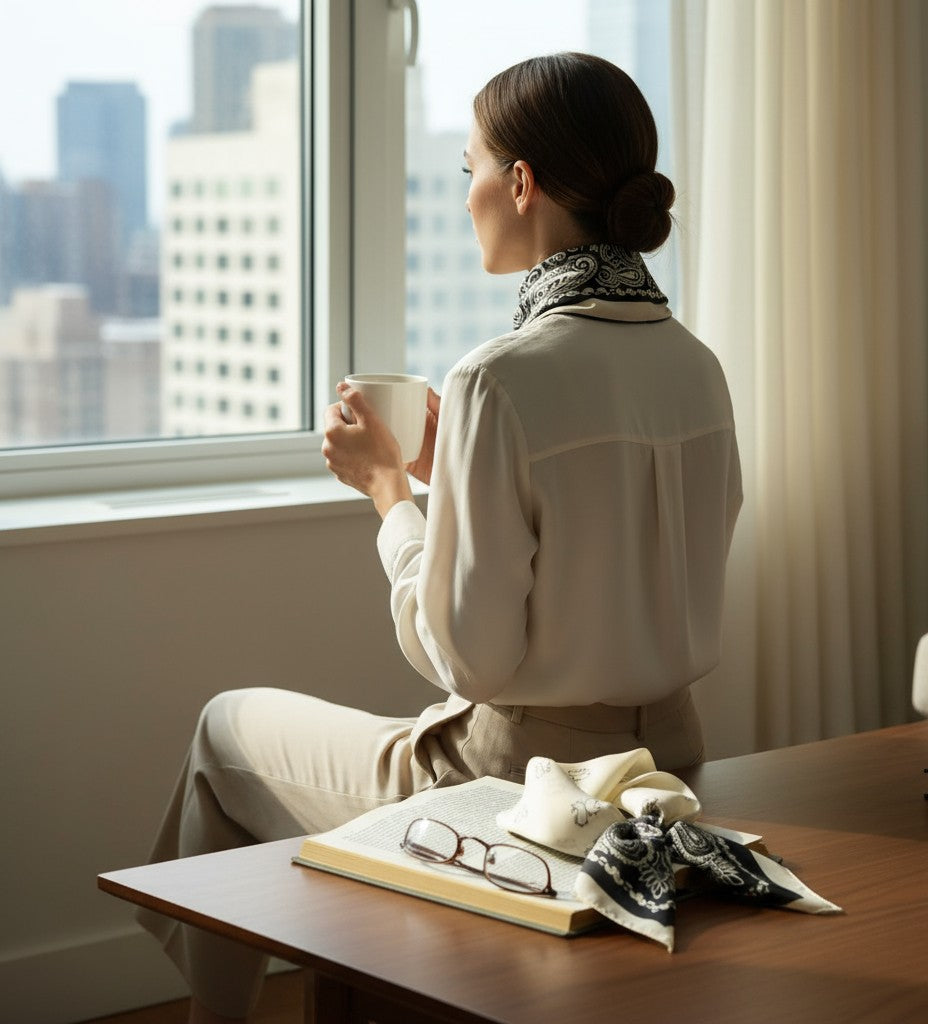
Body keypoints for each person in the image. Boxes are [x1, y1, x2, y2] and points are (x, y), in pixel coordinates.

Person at [138, 52, 742, 1024]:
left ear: (518, 183)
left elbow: (465, 659)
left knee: (222, 726)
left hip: (509, 781)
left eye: (469, 167)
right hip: (671, 761)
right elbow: (608, 539)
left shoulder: (497, 379)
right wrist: (447, 474)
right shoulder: (697, 364)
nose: (463, 194)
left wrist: (388, 491)